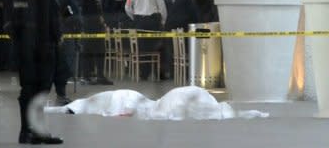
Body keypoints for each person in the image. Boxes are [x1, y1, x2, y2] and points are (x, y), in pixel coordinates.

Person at [4, 0, 63, 145]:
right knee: (41, 90)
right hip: (43, 47)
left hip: (22, 48)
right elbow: (52, 16)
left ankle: (24, 132)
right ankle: (39, 131)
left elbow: (8, 19)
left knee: (26, 89)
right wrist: (56, 39)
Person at [45, 86, 269, 120]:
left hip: (132, 101)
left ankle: (63, 109)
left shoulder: (134, 102)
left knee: (91, 103)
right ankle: (64, 109)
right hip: (133, 101)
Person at [125, 0, 168, 80]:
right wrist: (162, 21)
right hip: (154, 22)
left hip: (140, 22)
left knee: (142, 48)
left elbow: (127, 7)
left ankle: (144, 74)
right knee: (157, 47)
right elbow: (162, 8)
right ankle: (159, 73)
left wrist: (134, 17)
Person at [51, 0, 82, 106]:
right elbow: (75, 17)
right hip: (65, 35)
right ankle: (61, 95)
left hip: (47, 36)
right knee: (64, 65)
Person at [77, 0, 113, 85]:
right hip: (87, 26)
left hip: (97, 26)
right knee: (87, 52)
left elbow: (98, 9)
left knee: (100, 51)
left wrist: (103, 23)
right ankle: (85, 77)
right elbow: (81, 10)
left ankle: (100, 76)